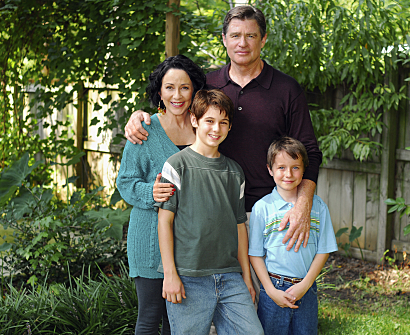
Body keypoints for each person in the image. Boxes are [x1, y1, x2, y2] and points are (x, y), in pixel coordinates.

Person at [125, 5, 322, 253]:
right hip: (213, 212)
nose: (243, 43)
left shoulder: (287, 90)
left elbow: (310, 152)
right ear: (224, 39)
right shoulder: (207, 86)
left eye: (250, 36)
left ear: (263, 39)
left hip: (271, 211)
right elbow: (177, 109)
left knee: (276, 289)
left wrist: (303, 205)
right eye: (235, 36)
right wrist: (141, 116)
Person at [156, 89, 264, 335]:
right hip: (189, 277)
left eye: (223, 123)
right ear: (194, 120)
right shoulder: (176, 165)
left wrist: (246, 277)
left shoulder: (234, 172)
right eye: (209, 121)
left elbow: (239, 226)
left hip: (229, 277)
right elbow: (164, 222)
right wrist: (170, 274)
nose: (216, 129)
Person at [116, 54, 206, 335]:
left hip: (190, 245)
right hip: (150, 240)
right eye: (169, 87)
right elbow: (125, 182)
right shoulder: (144, 130)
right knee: (149, 319)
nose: (177, 95)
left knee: (177, 323)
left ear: (194, 91)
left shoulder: (203, 128)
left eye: (184, 87)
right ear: (159, 92)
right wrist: (150, 191)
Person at [249, 137, 337, 335]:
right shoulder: (262, 208)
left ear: (304, 169)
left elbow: (323, 251)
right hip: (273, 290)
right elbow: (255, 254)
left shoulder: (318, 206)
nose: (288, 174)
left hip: (306, 289)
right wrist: (271, 291)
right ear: (270, 170)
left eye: (295, 167)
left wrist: (305, 285)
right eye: (281, 167)